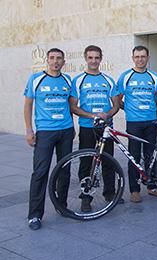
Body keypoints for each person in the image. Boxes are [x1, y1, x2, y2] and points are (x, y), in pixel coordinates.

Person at [116, 45, 157, 202]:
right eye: (137, 57)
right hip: (133, 123)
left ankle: (152, 187)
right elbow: (117, 98)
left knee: (151, 156)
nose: (140, 59)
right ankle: (134, 190)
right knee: (133, 156)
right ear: (133, 58)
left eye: (143, 56)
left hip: (151, 122)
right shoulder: (126, 76)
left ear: (148, 58)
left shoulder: (154, 76)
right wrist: (126, 108)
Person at [24, 48, 74, 230]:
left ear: (63, 61)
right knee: (40, 172)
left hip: (66, 131)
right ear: (47, 60)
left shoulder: (68, 80)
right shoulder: (36, 79)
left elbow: (73, 105)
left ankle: (62, 205)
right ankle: (35, 215)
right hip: (45, 132)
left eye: (59, 58)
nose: (55, 61)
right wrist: (29, 130)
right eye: (52, 58)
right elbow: (28, 105)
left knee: (64, 170)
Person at [69, 45, 122, 212]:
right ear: (86, 58)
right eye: (90, 57)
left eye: (96, 57)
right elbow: (73, 107)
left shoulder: (108, 80)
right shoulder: (78, 80)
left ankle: (110, 193)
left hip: (106, 128)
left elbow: (116, 105)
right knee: (86, 163)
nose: (94, 61)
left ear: (101, 59)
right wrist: (93, 116)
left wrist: (107, 114)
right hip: (87, 128)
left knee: (108, 160)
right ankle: (86, 197)